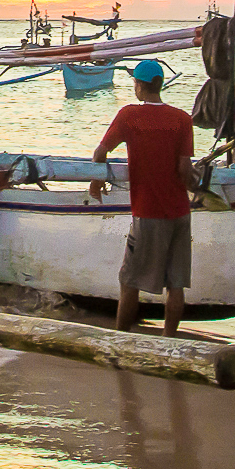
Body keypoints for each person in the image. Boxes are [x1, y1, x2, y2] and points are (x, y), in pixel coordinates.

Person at [90, 59, 197, 335]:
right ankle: (168, 341)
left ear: (139, 85)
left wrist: (96, 180)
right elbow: (184, 169)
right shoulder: (182, 119)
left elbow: (100, 152)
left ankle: (121, 338)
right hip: (180, 212)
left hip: (148, 212)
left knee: (129, 281)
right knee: (176, 285)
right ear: (160, 85)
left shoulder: (129, 116)